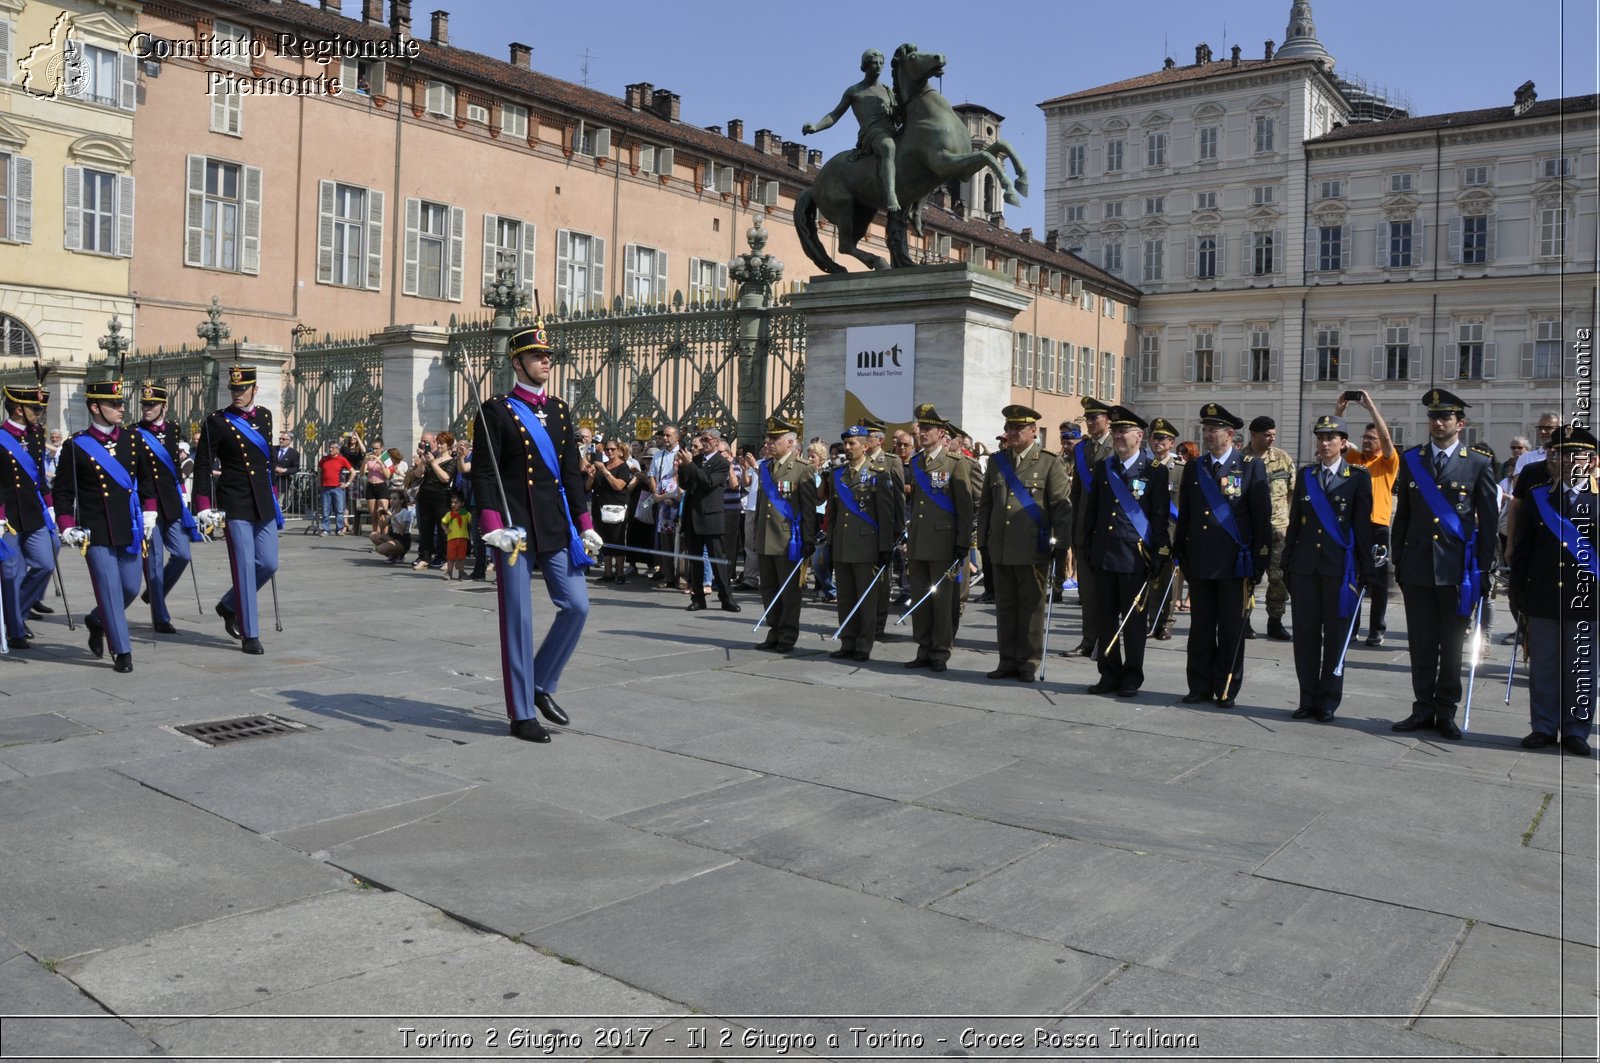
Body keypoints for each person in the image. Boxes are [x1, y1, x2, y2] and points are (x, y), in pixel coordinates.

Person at [471, 322, 604, 744]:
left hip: (553, 522)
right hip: (513, 527)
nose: (546, 361)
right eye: (536, 356)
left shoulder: (562, 410)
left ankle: (541, 683)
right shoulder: (496, 410)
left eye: (548, 356)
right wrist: (492, 526)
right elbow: (485, 473)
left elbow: (569, 472)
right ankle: (521, 712)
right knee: (518, 619)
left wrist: (585, 526)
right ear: (517, 362)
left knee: (577, 605)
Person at [1389, 389, 1499, 741]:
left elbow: (1489, 523)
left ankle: (1446, 709)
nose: (1438, 423)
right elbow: (1402, 517)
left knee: (1451, 645)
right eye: (1434, 417)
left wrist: (1484, 570)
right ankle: (1422, 707)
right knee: (1421, 644)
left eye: (1446, 417)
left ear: (1460, 423)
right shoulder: (1412, 460)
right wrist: (1400, 561)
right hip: (1418, 567)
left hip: (1457, 572)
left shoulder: (1478, 463)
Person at [53, 379, 155, 673]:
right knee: (109, 588)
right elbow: (62, 491)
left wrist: (149, 514)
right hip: (95, 530)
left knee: (130, 587)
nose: (122, 409)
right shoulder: (76, 445)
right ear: (96, 407)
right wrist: (66, 525)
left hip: (129, 527)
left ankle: (97, 619)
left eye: (122, 404)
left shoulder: (132, 440)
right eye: (115, 405)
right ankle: (121, 650)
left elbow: (147, 480)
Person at [1173, 403, 1271, 708]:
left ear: (1230, 435)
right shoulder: (1195, 467)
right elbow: (1186, 515)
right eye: (1205, 429)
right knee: (1200, 628)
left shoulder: (1251, 467)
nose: (1207, 434)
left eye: (1213, 430)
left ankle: (1227, 685)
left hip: (1234, 564)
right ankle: (1199, 685)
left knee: (1231, 629)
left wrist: (1259, 562)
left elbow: (1261, 520)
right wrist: (1182, 553)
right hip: (1201, 561)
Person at [1509, 425, 1596, 756]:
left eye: (1575, 454)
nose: (1565, 460)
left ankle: (1576, 729)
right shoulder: (1537, 496)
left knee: (1582, 666)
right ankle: (1543, 726)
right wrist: (1518, 589)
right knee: (1543, 665)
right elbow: (1524, 548)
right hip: (1543, 593)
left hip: (1587, 599)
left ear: (1589, 461)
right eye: (1559, 453)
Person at [1283, 414, 1375, 724]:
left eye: (1331, 438)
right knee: (1306, 636)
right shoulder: (1306, 474)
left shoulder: (1358, 477)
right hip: (1305, 567)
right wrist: (1287, 562)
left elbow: (1362, 527)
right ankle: (1307, 698)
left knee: (1336, 636)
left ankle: (1328, 701)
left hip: (1340, 570)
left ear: (1343, 443)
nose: (1324, 443)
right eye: (1320, 437)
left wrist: (1367, 569)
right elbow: (1296, 523)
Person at [975, 404, 1072, 683]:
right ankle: (1006, 660)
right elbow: (986, 506)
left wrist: (1060, 545)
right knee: (1005, 607)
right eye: (1009, 428)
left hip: (1033, 547)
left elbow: (1060, 508)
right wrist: (983, 541)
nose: (1013, 433)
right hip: (1001, 547)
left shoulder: (1049, 462)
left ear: (1033, 432)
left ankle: (1028, 661)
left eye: (1019, 428)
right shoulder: (996, 462)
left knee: (1031, 609)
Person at [193, 365, 283, 656]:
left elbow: (265, 462)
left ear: (254, 389)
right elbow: (204, 465)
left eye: (243, 389)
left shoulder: (266, 416)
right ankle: (250, 633)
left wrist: (273, 496)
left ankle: (229, 604)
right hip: (235, 500)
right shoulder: (217, 422)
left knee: (268, 563)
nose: (238, 394)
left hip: (262, 501)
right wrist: (204, 506)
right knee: (244, 566)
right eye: (234, 390)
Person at [1083, 406, 1168, 697]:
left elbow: (1159, 517)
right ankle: (1108, 674)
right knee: (1104, 619)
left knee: (1133, 624)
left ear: (1139, 436)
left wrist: (1159, 553)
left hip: (1135, 557)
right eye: (1116, 431)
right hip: (1105, 555)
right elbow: (1092, 512)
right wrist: (1086, 547)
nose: (1118, 436)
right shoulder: (1105, 468)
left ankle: (1132, 677)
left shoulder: (1155, 471)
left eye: (1124, 431)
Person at [903, 405, 973, 673]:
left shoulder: (955, 463)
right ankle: (923, 647)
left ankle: (941, 651)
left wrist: (962, 542)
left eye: (928, 428)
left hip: (945, 543)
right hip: (920, 542)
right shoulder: (917, 462)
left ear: (941, 433)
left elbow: (965, 507)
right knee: (920, 599)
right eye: (920, 428)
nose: (922, 433)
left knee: (944, 602)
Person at [131, 383, 204, 634]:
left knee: (183, 554)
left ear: (164, 406)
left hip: (172, 501)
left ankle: (155, 593)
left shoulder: (173, 429)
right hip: (148, 504)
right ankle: (160, 616)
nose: (147, 408)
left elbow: (174, 464)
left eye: (152, 405)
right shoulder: (133, 432)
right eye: (144, 404)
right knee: (153, 561)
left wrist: (183, 494)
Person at [825, 424, 898, 662]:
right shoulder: (838, 474)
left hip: (867, 546)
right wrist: (831, 543)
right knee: (845, 597)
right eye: (845, 443)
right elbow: (833, 513)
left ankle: (863, 645)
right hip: (843, 545)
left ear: (866, 446)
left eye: (852, 443)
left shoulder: (878, 474)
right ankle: (848, 641)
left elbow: (886, 515)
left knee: (866, 600)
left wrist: (885, 547)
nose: (847, 448)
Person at [803, 48, 901, 214]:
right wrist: (815, 127)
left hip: (891, 129)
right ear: (865, 66)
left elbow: (897, 114)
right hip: (872, 132)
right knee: (888, 147)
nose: (878, 66)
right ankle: (891, 195)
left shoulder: (887, 90)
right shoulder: (854, 91)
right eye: (874, 63)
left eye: (880, 63)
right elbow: (834, 115)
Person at [1336, 390, 1399, 647]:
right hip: (1355, 525)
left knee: (1379, 581)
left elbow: (1385, 437)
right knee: (1354, 576)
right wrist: (1338, 411)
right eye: (1364, 437)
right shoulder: (1357, 459)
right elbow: (1337, 440)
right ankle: (1353, 626)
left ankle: (1377, 628)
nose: (1366, 441)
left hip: (1378, 525)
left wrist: (1371, 407)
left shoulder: (1387, 461)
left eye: (1371, 438)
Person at [753, 416, 817, 653]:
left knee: (789, 592)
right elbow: (762, 506)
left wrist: (808, 539)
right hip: (765, 538)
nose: (769, 442)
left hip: (788, 540)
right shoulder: (765, 467)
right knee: (769, 589)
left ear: (790, 443)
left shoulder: (802, 469)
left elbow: (809, 509)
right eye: (768, 438)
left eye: (775, 438)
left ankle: (788, 635)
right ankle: (774, 631)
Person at [0, 381, 56, 646]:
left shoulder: (35, 435)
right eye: (35, 408)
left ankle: (16, 611)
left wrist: (52, 507)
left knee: (45, 562)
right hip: (6, 516)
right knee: (11, 572)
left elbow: (39, 479)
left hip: (33, 512)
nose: (40, 412)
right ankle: (15, 629)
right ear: (19, 409)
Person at [1066, 397, 1113, 656]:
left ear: (1107, 420)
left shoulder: (1116, 446)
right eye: (1088, 418)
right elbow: (1075, 493)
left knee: (1108, 591)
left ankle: (1107, 641)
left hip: (1108, 529)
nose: (1091, 423)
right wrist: (1074, 527)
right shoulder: (1081, 449)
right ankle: (1088, 641)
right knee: (1088, 591)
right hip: (1085, 528)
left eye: (1095, 418)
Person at [677, 427, 741, 613]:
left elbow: (709, 483)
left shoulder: (721, 462)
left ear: (715, 441)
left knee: (717, 560)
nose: (703, 443)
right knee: (695, 560)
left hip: (711, 517)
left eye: (706, 439)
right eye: (701, 439)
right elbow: (685, 484)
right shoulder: (695, 460)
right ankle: (697, 597)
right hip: (692, 516)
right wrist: (682, 468)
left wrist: (689, 466)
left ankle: (726, 598)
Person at [1245, 415, 1296, 641]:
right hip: (1250, 529)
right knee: (1247, 577)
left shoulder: (1282, 458)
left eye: (1273, 435)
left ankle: (1275, 621)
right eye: (1267, 435)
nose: (1271, 439)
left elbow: (1292, 491)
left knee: (1279, 578)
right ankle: (1244, 620)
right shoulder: (1241, 460)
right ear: (1253, 434)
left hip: (1278, 529)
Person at [858, 416, 906, 636]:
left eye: (868, 437)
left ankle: (878, 624)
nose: (864, 441)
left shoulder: (890, 461)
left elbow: (897, 497)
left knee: (881, 578)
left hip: (882, 527)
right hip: (861, 529)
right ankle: (862, 621)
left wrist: (897, 527)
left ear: (879, 440)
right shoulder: (858, 461)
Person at [1144, 417, 1183, 640]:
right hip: (1148, 531)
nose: (1157, 442)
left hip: (1171, 533)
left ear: (1171, 443)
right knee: (1149, 578)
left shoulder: (1180, 470)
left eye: (1162, 439)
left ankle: (1166, 622)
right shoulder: (1145, 467)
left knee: (1169, 579)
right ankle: (1150, 619)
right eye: (1154, 438)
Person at [587, 438, 636, 583]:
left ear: (619, 451)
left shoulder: (623, 467)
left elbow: (618, 486)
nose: (609, 452)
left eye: (612, 449)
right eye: (607, 449)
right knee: (604, 539)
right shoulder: (603, 465)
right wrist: (591, 477)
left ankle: (619, 573)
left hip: (616, 508)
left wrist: (604, 471)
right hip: (600, 507)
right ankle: (607, 573)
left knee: (617, 539)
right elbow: (589, 487)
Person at [412, 431, 456, 569]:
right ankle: (425, 557)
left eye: (442, 443)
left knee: (443, 529)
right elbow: (418, 475)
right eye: (438, 442)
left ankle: (445, 557)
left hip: (441, 497)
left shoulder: (452, 461)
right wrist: (423, 463)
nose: (440, 445)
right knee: (426, 529)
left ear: (448, 446)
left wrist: (433, 463)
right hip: (425, 496)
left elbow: (445, 478)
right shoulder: (432, 458)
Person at [317, 439, 354, 536]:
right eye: (329, 447)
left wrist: (347, 483)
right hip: (325, 487)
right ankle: (326, 529)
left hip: (338, 488)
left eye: (332, 448)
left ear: (338, 449)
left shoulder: (342, 459)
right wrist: (318, 482)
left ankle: (339, 529)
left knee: (339, 510)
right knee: (325, 510)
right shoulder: (324, 459)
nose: (330, 449)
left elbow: (353, 472)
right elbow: (320, 471)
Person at [440, 491, 470, 580]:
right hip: (451, 538)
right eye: (452, 502)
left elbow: (471, 521)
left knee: (461, 557)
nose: (453, 504)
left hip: (463, 538)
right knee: (450, 557)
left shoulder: (466, 514)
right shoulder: (450, 514)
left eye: (456, 502)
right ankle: (449, 572)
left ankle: (461, 572)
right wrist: (446, 529)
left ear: (462, 503)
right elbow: (443, 522)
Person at [272, 431, 300, 503]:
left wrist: (285, 470)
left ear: (289, 441)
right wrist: (274, 467)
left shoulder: (294, 453)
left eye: (283, 439)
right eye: (280, 438)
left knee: (278, 503)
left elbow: (295, 468)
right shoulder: (273, 449)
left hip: (283, 482)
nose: (281, 440)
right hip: (271, 481)